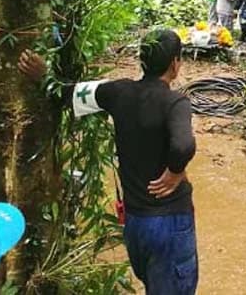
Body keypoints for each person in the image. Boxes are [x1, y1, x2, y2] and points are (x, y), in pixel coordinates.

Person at [20, 31, 199, 295]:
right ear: (175, 63)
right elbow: (183, 145)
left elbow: (68, 95)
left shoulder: (118, 92)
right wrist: (175, 171)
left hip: (136, 223)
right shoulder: (175, 102)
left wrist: (44, 77)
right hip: (170, 223)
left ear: (142, 60)